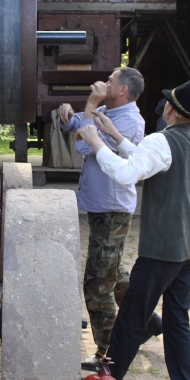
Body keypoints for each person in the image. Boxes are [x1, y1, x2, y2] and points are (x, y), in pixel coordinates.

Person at [78, 80, 190, 380]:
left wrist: (96, 141)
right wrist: (118, 138)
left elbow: (127, 173)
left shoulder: (161, 140)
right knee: (178, 321)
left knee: (131, 322)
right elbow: (148, 161)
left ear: (171, 110)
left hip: (164, 249)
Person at [58, 67, 149, 364]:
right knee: (113, 271)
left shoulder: (129, 121)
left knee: (98, 284)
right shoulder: (110, 110)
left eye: (111, 80)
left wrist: (90, 103)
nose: (105, 82)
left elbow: (85, 145)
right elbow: (79, 127)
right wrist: (69, 117)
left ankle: (109, 353)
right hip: (103, 206)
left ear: (122, 90)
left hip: (112, 209)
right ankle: (147, 322)